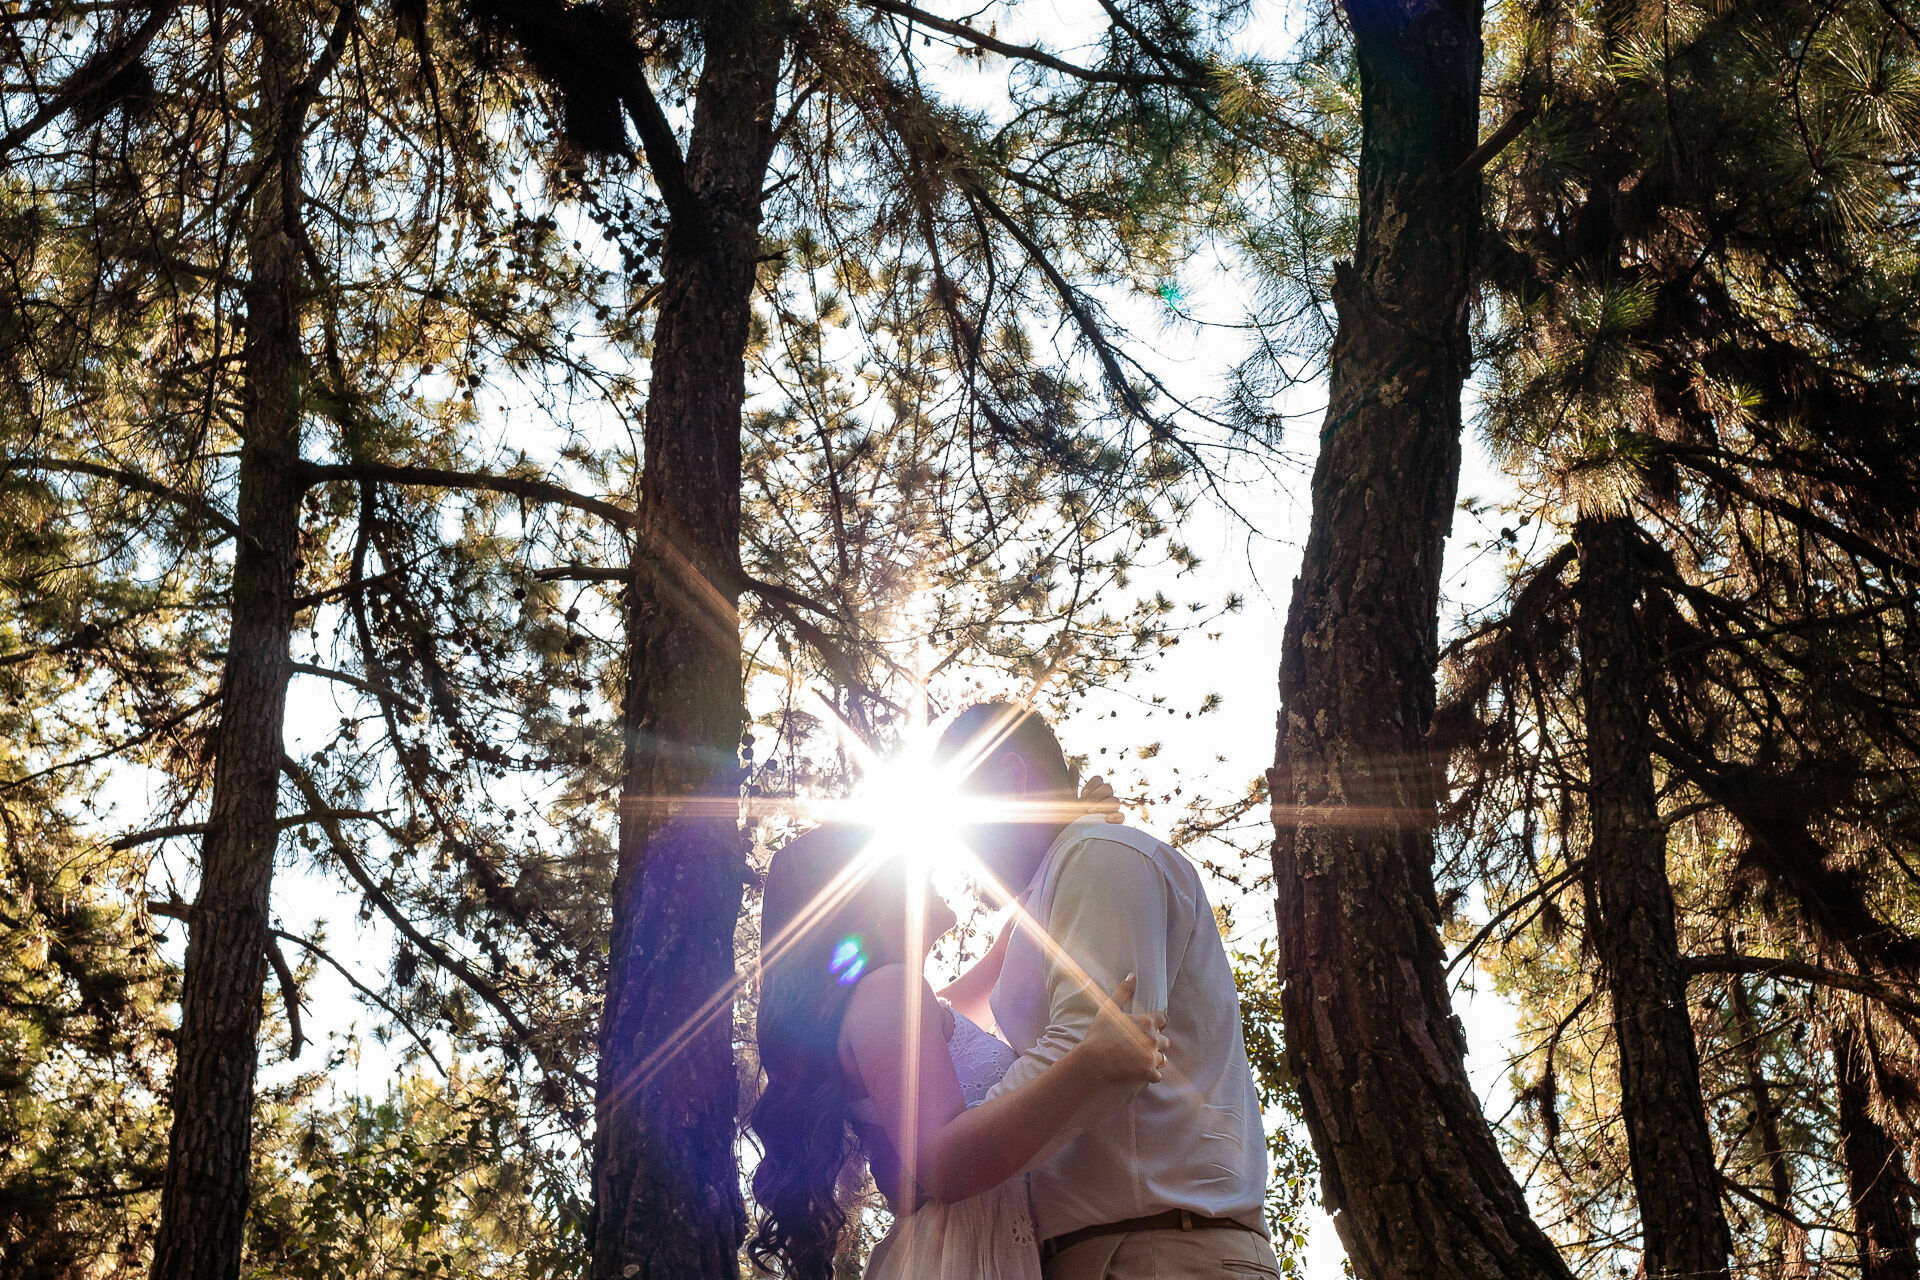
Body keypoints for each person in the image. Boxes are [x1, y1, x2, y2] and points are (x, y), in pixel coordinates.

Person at [938, 700, 1277, 1280]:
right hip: (1123, 1252)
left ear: (1009, 780)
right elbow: (953, 1015)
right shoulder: (1057, 889)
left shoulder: (1096, 856)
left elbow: (1091, 1049)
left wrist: (954, 1148)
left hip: (1155, 1255)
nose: (960, 849)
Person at [748, 820, 1169, 1280]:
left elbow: (1000, 959)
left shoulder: (897, 1000)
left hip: (961, 1245)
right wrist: (1088, 1065)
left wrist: (1072, 826)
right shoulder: (890, 992)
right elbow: (942, 1164)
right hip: (962, 1255)